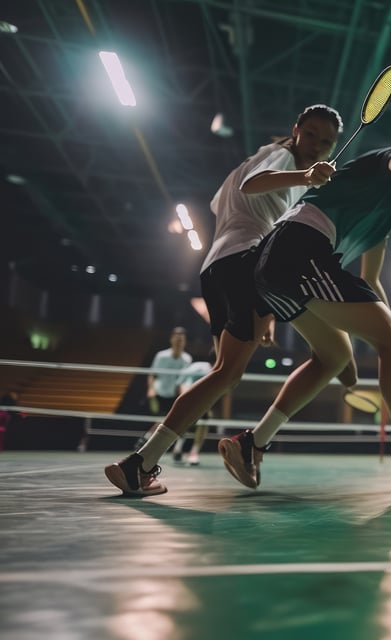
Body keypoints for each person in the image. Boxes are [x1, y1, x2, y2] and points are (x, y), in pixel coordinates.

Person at [218, 113, 391, 493]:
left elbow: (370, 280)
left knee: (334, 358)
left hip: (280, 263)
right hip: (299, 250)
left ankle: (251, 443)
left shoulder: (383, 206)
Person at [105, 104, 348, 496]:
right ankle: (246, 443)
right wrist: (304, 176)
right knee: (319, 357)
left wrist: (265, 311)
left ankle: (140, 463)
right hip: (245, 263)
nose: (318, 145)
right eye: (312, 134)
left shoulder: (269, 164)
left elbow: (223, 203)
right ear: (296, 129)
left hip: (216, 267)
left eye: (327, 142)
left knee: (224, 373)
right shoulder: (282, 158)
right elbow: (251, 186)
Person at [134, 327, 193, 450]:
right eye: (176, 338)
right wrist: (151, 389)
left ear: (184, 342)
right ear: (171, 340)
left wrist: (184, 394)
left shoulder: (187, 359)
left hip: (174, 395)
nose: (178, 341)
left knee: (177, 422)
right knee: (164, 421)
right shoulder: (161, 356)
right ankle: (145, 440)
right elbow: (152, 374)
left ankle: (149, 442)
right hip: (159, 393)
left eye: (181, 339)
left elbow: (184, 379)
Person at [170, 351, 214, 466]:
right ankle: (183, 450)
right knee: (190, 423)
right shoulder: (201, 368)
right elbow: (181, 382)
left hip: (199, 400)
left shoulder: (217, 372)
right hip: (188, 396)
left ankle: (188, 451)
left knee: (201, 423)